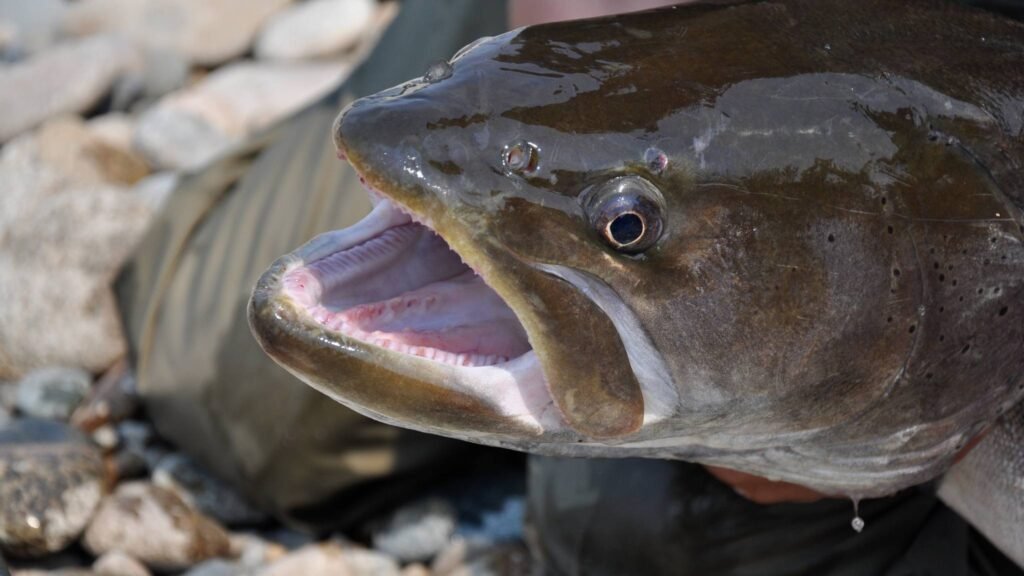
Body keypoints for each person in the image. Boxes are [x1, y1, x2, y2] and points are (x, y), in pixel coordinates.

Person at [117, 0, 1024, 572]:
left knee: (641, 536)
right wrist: (558, 52)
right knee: (239, 402)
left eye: (629, 227)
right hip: (637, 60)